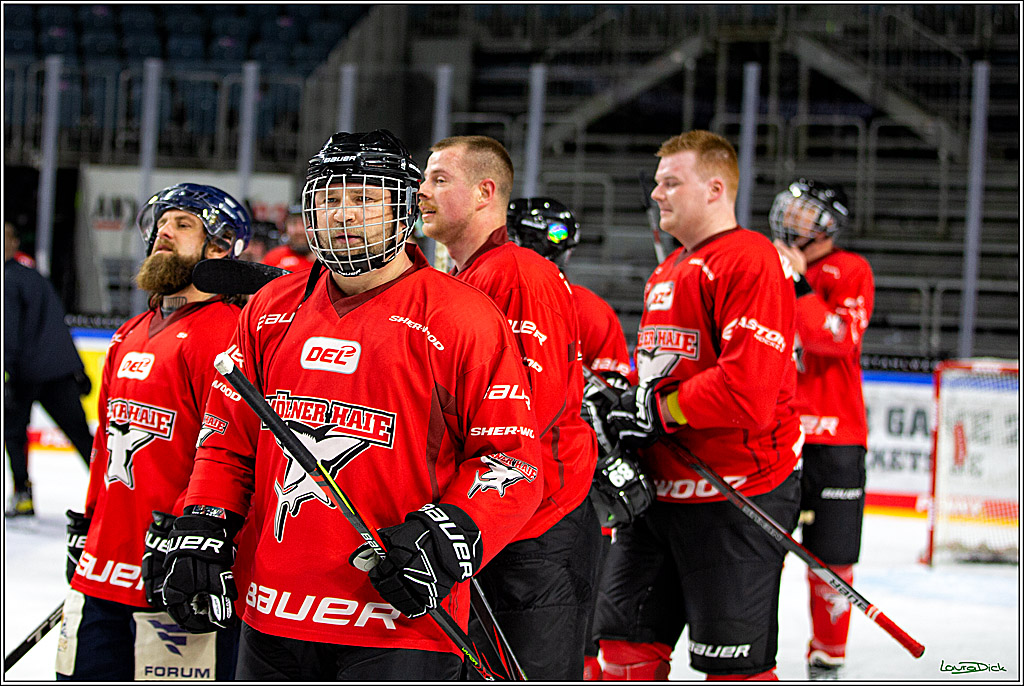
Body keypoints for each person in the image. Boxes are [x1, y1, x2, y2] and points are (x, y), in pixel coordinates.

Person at [158, 130, 543, 681]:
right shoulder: (271, 307)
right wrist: (205, 521)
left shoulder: (463, 316)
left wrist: (447, 535)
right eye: (329, 199)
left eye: (363, 198)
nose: (342, 214)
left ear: (402, 207)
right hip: (271, 614)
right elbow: (226, 442)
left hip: (400, 624)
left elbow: (512, 463)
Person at [590, 130, 804, 680]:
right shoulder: (668, 270)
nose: (657, 194)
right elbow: (666, 375)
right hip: (657, 496)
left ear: (714, 189)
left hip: (734, 493)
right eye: (656, 183)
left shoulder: (750, 259)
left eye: (670, 182)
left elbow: (747, 390)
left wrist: (655, 409)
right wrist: (620, 404)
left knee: (733, 668)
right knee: (622, 650)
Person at [419, 137, 602, 680]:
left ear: (485, 192)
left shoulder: (518, 273)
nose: (422, 192)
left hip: (536, 529)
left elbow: (525, 411)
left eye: (438, 179)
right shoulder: (467, 275)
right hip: (495, 525)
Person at [57, 184, 252, 680]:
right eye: (161, 225)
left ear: (220, 247)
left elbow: (233, 452)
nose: (164, 232)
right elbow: (106, 443)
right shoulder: (129, 332)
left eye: (183, 224)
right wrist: (90, 521)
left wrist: (201, 538)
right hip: (103, 568)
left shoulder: (225, 333)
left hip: (176, 573)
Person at [506, 196, 637, 681]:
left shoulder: (587, 309)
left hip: (566, 489)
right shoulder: (484, 294)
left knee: (572, 637)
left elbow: (616, 395)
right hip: (516, 490)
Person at [770, 179, 874, 679]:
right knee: (758, 552)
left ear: (830, 222)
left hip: (835, 437)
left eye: (806, 212)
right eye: (791, 208)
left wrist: (799, 284)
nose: (793, 218)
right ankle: (749, 650)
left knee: (831, 559)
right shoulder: (773, 267)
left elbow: (836, 338)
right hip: (777, 433)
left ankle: (828, 657)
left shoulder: (850, 270)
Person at [4, 222, 94, 517]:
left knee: (15, 434)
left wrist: (6, 370)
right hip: (58, 372)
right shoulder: (35, 276)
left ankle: (23, 495)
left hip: (25, 374)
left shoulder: (8, 279)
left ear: (16, 242)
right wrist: (77, 369)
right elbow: (60, 324)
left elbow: (9, 332)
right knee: (82, 436)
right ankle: (110, 493)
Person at [262, 202, 315, 271]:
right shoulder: (274, 258)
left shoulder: (327, 262)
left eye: (305, 223)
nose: (299, 230)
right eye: (293, 223)